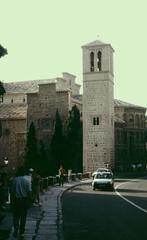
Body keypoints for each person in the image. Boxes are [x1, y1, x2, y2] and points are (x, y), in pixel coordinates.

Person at [11, 166, 32, 238]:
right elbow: (29, 192)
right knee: (23, 217)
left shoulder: (14, 180)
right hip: (24, 200)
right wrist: (29, 202)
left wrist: (11, 202)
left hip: (16, 200)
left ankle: (16, 229)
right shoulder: (27, 181)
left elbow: (12, 192)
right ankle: (22, 231)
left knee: (16, 216)